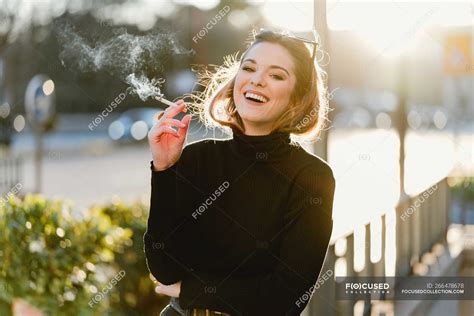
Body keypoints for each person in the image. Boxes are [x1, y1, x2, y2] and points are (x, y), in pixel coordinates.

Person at [144, 29, 336, 316]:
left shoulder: (312, 177)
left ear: (297, 99)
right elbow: (164, 268)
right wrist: (164, 169)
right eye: (249, 68)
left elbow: (285, 297)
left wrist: (192, 290)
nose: (257, 79)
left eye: (277, 75)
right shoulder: (196, 158)